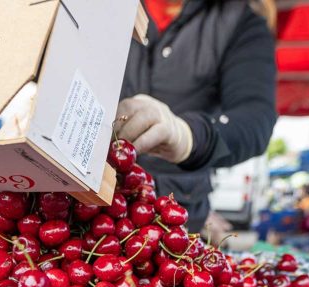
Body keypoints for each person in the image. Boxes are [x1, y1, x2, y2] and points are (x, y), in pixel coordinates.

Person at [115, 0, 277, 232]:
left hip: (173, 220)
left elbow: (255, 120)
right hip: (84, 202)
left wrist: (189, 136)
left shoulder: (239, 21)